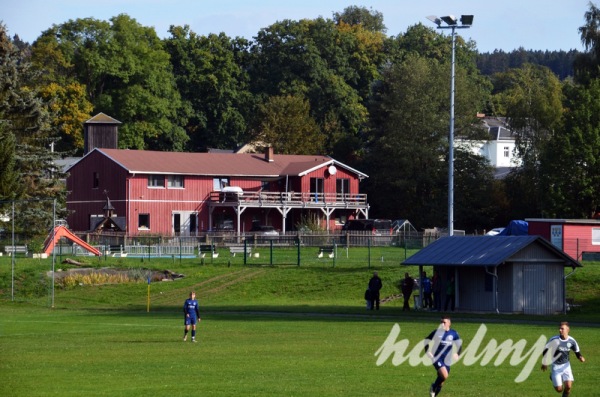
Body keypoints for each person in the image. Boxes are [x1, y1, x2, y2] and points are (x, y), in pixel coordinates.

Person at [541, 322, 585, 396]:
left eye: (562, 329)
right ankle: (552, 376)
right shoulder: (554, 339)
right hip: (556, 366)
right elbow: (545, 351)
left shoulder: (572, 341)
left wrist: (580, 357)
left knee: (568, 387)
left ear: (568, 330)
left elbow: (577, 352)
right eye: (560, 328)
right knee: (559, 389)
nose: (560, 330)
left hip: (566, 366)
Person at [424, 316, 462, 397]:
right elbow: (426, 340)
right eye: (441, 322)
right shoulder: (437, 332)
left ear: (449, 323)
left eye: (444, 322)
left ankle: (434, 394)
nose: (442, 324)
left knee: (441, 381)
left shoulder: (454, 333)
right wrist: (427, 352)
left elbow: (459, 346)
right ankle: (433, 387)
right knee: (444, 375)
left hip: (447, 360)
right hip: (436, 358)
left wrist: (457, 354)